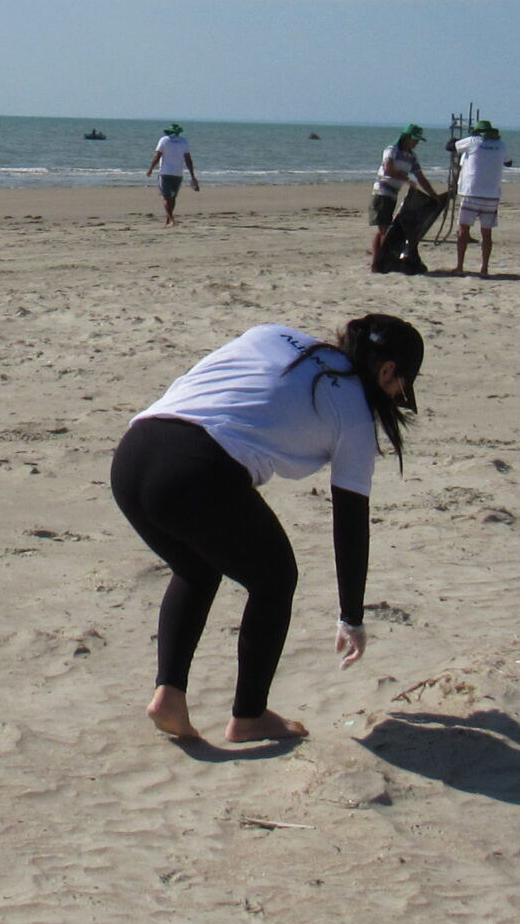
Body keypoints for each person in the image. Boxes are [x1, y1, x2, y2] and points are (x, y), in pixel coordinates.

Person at [108, 316, 422, 746]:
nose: (393, 396)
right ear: (387, 371)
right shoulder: (354, 413)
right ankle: (249, 717)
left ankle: (170, 696)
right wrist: (351, 617)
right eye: (399, 386)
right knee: (275, 580)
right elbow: (350, 523)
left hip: (134, 453)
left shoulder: (271, 333)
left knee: (197, 569)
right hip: (196, 471)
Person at [370, 125, 438, 264]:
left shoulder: (412, 157)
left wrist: (433, 195)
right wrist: (406, 179)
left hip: (393, 193)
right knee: (384, 230)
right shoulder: (392, 150)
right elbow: (388, 169)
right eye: (415, 140)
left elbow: (421, 177)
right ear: (406, 138)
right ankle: (377, 262)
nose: (416, 143)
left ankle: (381, 261)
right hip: (382, 192)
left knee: (386, 229)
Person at [450, 121, 509, 275]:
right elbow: (508, 162)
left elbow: (450, 147)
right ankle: (484, 269)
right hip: (492, 194)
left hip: (471, 192)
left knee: (463, 230)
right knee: (486, 233)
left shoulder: (472, 141)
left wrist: (455, 140)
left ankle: (460, 267)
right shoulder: (501, 145)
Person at [146, 124, 199, 226]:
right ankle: (168, 220)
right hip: (178, 173)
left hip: (165, 173)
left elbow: (157, 156)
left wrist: (150, 169)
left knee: (166, 198)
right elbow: (188, 160)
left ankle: (171, 219)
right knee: (173, 198)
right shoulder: (184, 141)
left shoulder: (164, 140)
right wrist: (192, 175)